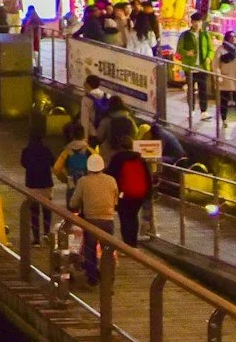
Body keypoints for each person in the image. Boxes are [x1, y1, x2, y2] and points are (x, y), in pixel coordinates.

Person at [69, 153, 121, 284]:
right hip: (108, 219)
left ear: (88, 168)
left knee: (90, 248)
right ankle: (109, 276)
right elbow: (115, 200)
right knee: (107, 250)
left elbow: (73, 203)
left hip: (90, 219)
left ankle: (92, 276)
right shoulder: (111, 180)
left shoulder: (83, 181)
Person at [21, 121, 58, 244]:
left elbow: (23, 163)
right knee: (47, 211)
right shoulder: (46, 149)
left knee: (34, 212)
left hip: (32, 183)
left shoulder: (26, 150)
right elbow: (52, 162)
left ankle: (36, 238)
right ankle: (46, 234)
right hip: (46, 183)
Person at [112, 141, 153, 247]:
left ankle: (127, 245)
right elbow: (147, 177)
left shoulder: (118, 157)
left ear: (121, 147)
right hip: (139, 194)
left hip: (124, 194)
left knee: (124, 218)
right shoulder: (140, 158)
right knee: (133, 216)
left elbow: (111, 175)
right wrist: (148, 194)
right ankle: (133, 243)